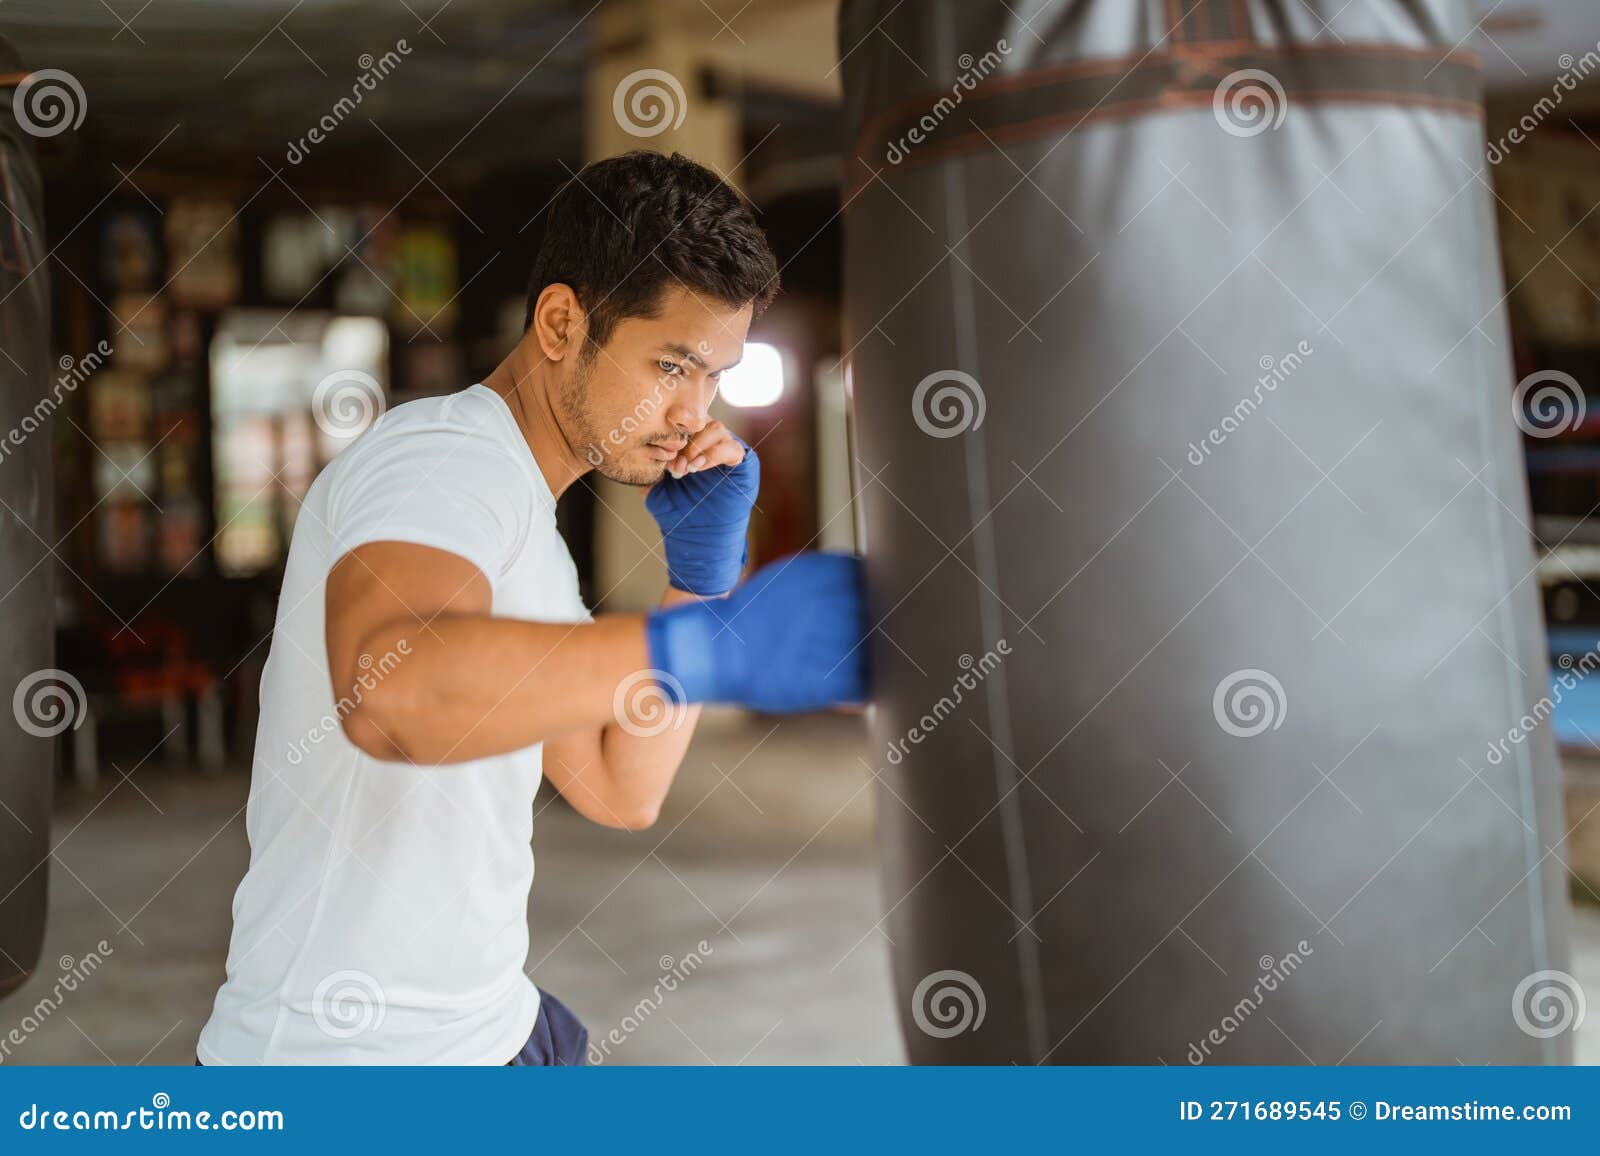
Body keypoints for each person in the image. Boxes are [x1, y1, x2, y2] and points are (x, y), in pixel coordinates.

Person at [195, 151, 869, 1065]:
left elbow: (616, 787)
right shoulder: (442, 462)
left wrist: (701, 580)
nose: (693, 412)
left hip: (488, 1031)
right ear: (561, 323)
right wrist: (714, 644)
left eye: (713, 377)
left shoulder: (528, 526)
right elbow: (392, 696)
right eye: (671, 363)